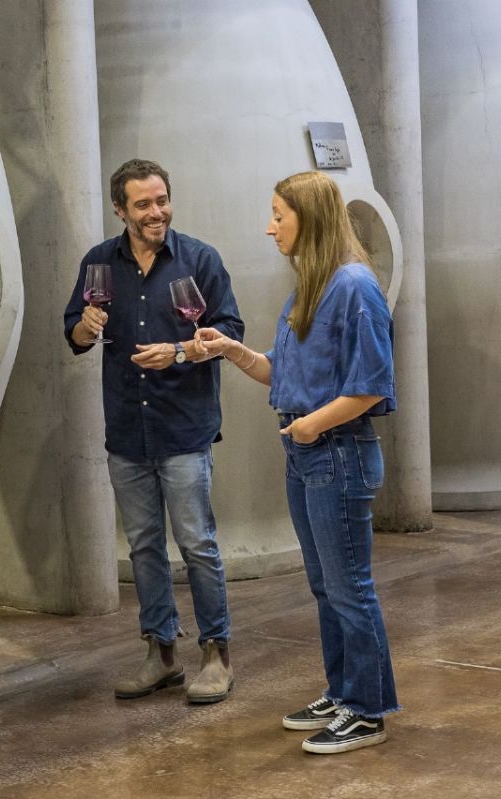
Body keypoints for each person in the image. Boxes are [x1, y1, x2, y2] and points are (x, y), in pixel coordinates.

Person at [198, 170, 399, 754]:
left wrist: (310, 426)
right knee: (326, 587)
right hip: (309, 453)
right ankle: (343, 691)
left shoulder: (355, 287)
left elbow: (370, 386)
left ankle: (366, 711)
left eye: (278, 215)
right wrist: (234, 351)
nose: (270, 227)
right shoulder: (311, 287)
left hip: (337, 453)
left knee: (351, 587)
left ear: (308, 218)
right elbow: (283, 375)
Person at [64, 158, 244, 704]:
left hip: (183, 427)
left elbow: (231, 331)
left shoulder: (199, 259)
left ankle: (216, 654)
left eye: (161, 200)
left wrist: (183, 351)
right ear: (120, 210)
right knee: (144, 547)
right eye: (143, 204)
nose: (156, 212)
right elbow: (72, 333)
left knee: (197, 544)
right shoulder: (100, 262)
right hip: (126, 428)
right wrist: (84, 325)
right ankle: (161, 654)